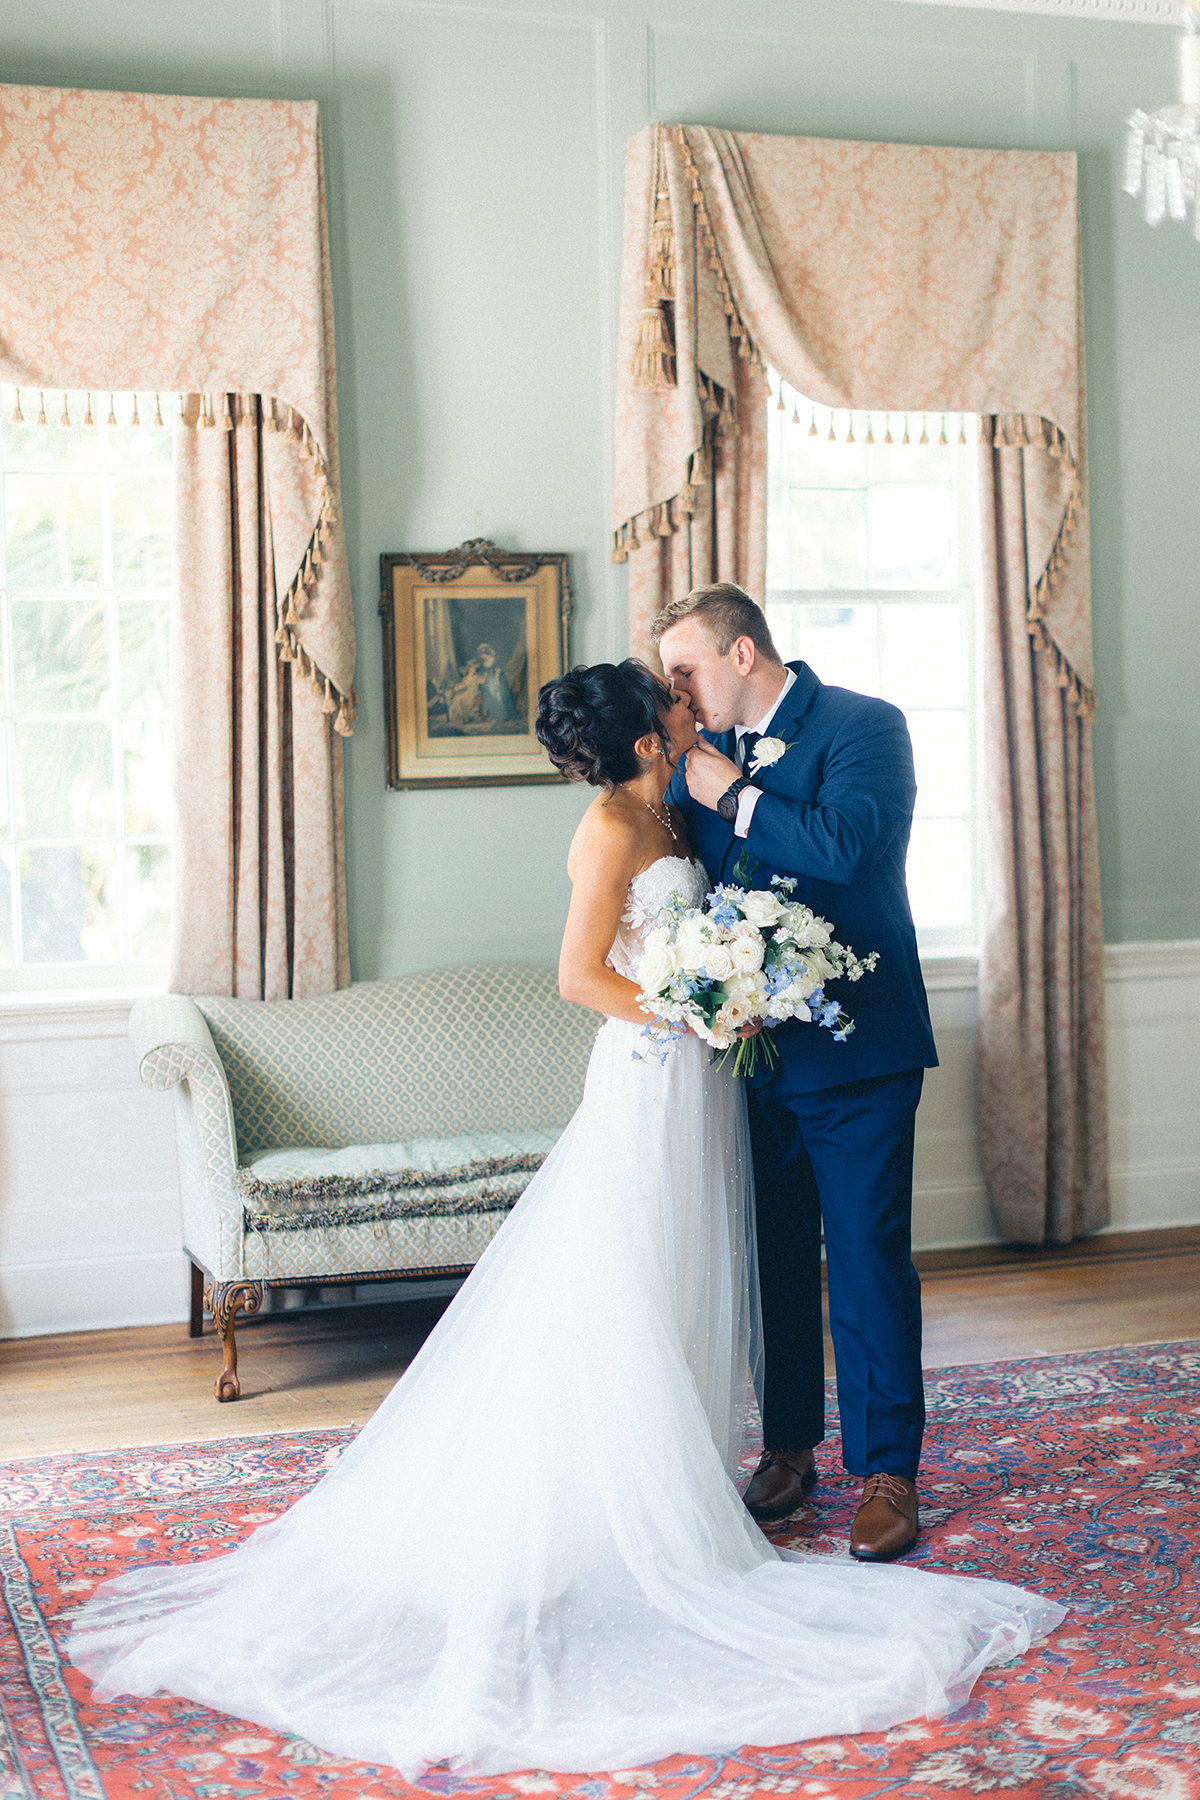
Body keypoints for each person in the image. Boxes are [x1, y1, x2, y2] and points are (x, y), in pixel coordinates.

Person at [67, 661, 1061, 1779]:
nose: (685, 704)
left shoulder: (676, 805)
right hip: (653, 1074)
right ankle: (608, 1504)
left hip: (706, 1083)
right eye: (669, 700)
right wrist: (699, 1011)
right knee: (622, 1276)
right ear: (646, 738)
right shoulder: (611, 828)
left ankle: (692, 1474)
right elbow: (579, 976)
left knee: (690, 1271)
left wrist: (722, 999)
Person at [655, 583, 938, 1562]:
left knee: (865, 1256)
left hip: (859, 1047)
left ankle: (888, 1471)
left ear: (741, 653)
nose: (677, 690)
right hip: (749, 1051)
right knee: (771, 1255)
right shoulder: (696, 753)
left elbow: (847, 849)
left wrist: (731, 794)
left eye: (685, 668)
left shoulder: (866, 726)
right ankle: (787, 1447)